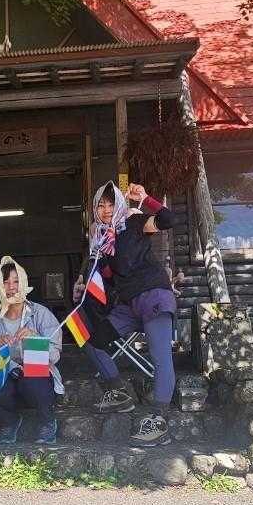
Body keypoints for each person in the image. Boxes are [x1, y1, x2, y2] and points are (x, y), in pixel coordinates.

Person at [74, 181, 177, 447]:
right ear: (95, 209)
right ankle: (118, 392)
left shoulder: (133, 222)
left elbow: (168, 219)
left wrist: (146, 198)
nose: (107, 210)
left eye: (111, 204)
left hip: (153, 295)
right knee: (90, 339)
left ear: (119, 204)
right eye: (101, 205)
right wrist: (84, 285)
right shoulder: (102, 241)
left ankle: (159, 420)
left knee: (160, 356)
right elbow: (107, 280)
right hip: (129, 305)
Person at [0, 257, 64, 444]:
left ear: (24, 283)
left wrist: (35, 339)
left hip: (38, 385)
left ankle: (47, 421)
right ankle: (9, 422)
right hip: (8, 380)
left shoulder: (40, 313)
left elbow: (55, 354)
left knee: (33, 375)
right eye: (6, 282)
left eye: (16, 281)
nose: (11, 287)